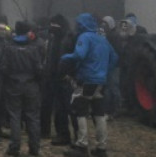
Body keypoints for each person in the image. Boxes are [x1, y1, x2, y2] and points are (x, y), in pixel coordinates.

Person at [60, 13, 119, 157]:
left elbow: (79, 54)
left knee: (80, 111)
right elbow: (114, 57)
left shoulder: (84, 37)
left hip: (86, 80)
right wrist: (105, 71)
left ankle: (81, 145)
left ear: (82, 25)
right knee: (99, 114)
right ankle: (101, 148)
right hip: (101, 82)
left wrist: (66, 57)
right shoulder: (102, 38)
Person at [2, 21, 44, 157]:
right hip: (31, 85)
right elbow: (39, 69)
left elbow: (4, 67)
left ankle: (14, 148)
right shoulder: (33, 48)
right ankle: (34, 148)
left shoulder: (9, 47)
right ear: (28, 32)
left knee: (15, 116)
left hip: (13, 85)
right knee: (33, 117)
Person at [43, 13, 74, 146]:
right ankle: (62, 133)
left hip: (63, 78)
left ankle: (68, 135)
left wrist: (69, 73)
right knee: (60, 108)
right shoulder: (55, 38)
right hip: (54, 77)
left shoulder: (66, 39)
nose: (52, 27)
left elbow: (71, 58)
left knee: (66, 108)